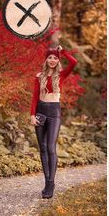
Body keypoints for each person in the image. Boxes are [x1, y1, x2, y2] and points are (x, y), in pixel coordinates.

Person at [30, 45, 77, 199]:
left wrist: (62, 51)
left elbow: (74, 62)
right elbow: (35, 97)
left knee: (51, 147)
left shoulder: (61, 75)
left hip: (54, 113)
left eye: (55, 58)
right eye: (50, 57)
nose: (52, 60)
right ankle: (46, 182)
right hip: (40, 112)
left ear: (58, 61)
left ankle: (51, 183)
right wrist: (32, 115)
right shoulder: (39, 76)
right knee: (42, 148)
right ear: (46, 59)